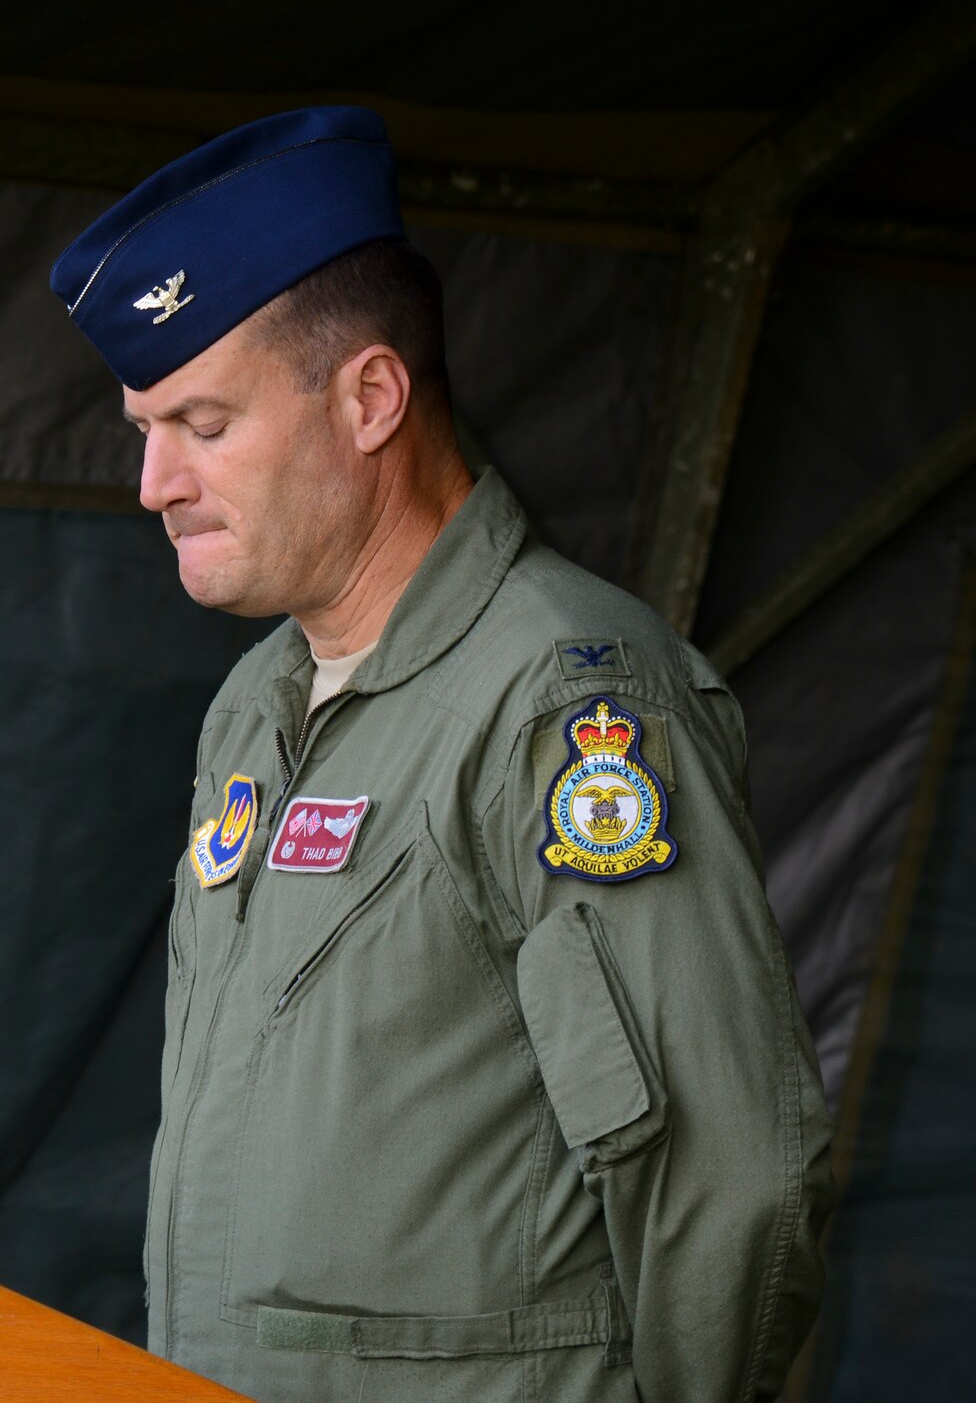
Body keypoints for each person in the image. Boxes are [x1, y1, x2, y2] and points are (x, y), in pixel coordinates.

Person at [48, 106, 833, 1403]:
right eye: (145, 430)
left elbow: (727, 1172)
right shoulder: (256, 706)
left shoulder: (567, 704)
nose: (155, 483)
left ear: (369, 398)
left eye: (200, 423)